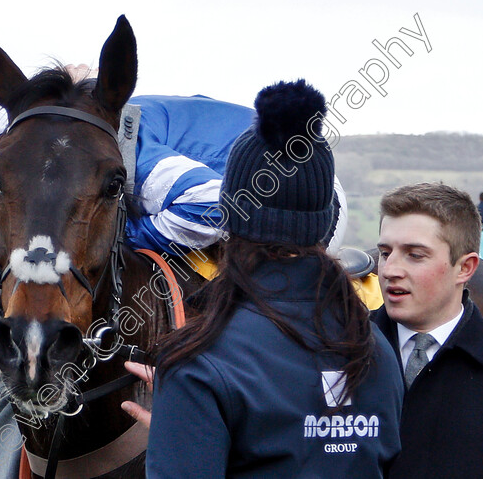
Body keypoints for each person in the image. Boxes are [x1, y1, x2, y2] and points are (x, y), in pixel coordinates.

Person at [0, 78, 350, 476]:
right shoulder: (52, 144)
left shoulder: (104, 148)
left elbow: (213, 207)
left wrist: (104, 235)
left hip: (287, 194)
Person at [145, 80, 402, 478]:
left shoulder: (199, 361)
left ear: (230, 215)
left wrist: (179, 424)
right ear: (325, 220)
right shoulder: (376, 348)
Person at [371, 182, 483, 477]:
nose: (389, 270)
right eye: (386, 253)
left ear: (465, 268)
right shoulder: (334, 353)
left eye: (415, 255)